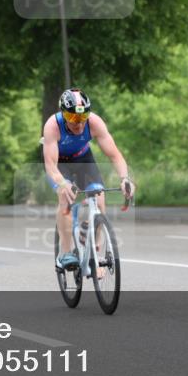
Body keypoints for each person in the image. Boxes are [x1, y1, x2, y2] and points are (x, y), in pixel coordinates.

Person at [42, 88, 135, 270]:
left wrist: (125, 178)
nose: (79, 124)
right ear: (63, 114)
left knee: (99, 197)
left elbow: (115, 155)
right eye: (73, 119)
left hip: (83, 159)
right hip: (59, 164)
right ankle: (67, 253)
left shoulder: (95, 123)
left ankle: (96, 252)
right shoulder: (52, 126)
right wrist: (62, 183)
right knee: (65, 196)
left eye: (83, 117)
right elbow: (51, 165)